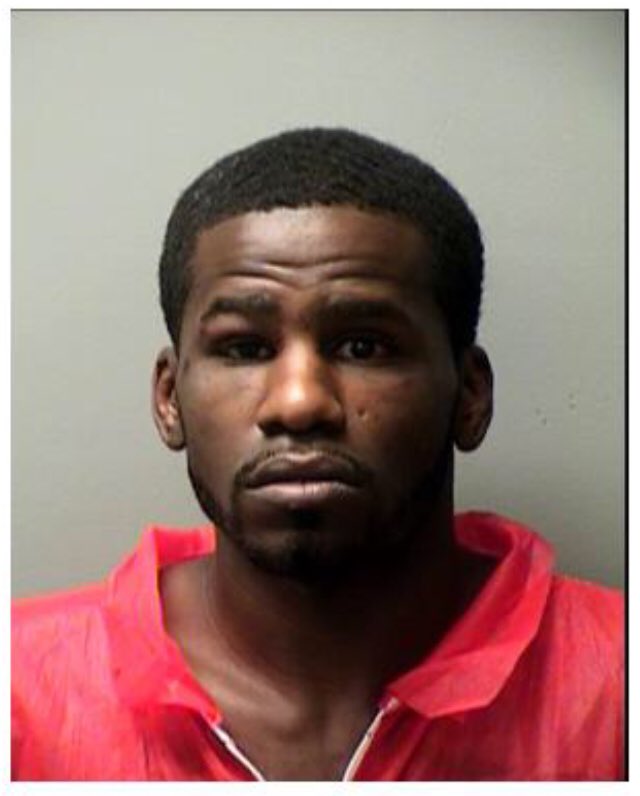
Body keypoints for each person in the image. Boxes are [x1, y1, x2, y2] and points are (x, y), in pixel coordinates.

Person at [11, 128, 623, 781]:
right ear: (169, 399)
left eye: (364, 347)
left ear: (469, 396)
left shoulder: (617, 685)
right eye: (244, 349)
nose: (299, 402)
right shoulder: (20, 692)